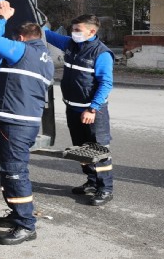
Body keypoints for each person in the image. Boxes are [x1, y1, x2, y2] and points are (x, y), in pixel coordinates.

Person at [0, 0, 54, 245]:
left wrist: (1, 18)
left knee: (14, 173)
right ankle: (16, 214)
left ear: (21, 38)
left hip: (16, 123)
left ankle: (26, 225)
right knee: (12, 171)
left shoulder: (22, 50)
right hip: (26, 121)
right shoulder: (46, 58)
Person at [44, 14, 115, 206]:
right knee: (82, 150)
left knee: (98, 149)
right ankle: (91, 182)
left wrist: (92, 109)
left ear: (92, 31)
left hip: (92, 112)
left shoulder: (101, 54)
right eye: (72, 29)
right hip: (73, 108)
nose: (73, 33)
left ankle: (105, 189)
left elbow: (106, 83)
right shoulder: (70, 44)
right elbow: (46, 34)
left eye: (77, 30)